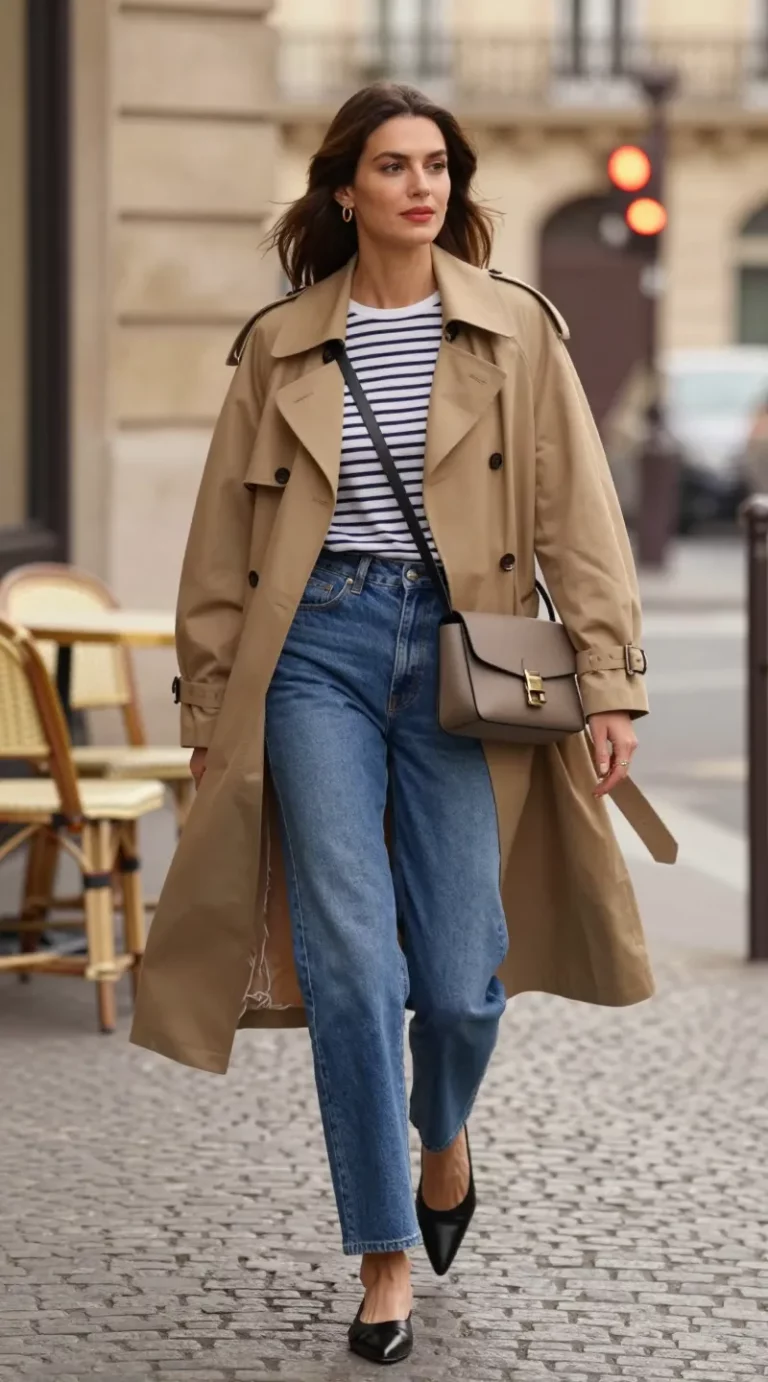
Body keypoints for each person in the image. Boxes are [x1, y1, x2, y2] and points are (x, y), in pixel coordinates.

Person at [130, 82, 664, 1366]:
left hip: (459, 652)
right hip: (311, 650)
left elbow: (578, 514)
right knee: (356, 966)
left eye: (437, 166)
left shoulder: (515, 328)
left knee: (464, 968)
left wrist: (610, 679)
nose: (422, 187)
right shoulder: (280, 343)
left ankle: (443, 1137)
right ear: (345, 190)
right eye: (393, 166)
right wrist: (211, 702)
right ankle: (380, 1256)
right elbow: (222, 539)